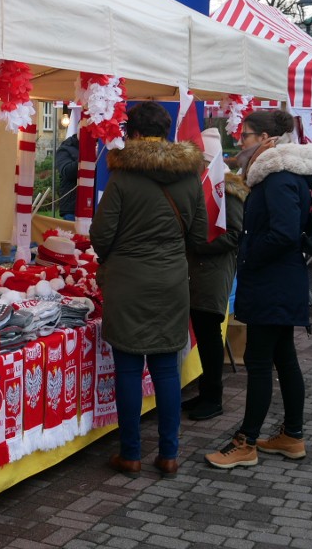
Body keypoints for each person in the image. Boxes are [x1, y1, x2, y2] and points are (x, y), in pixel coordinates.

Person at [90, 102, 208, 478]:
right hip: (172, 281)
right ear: (167, 131)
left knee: (128, 367)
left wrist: (116, 256)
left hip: (127, 281)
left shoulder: (123, 177)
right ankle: (169, 454)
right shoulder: (190, 177)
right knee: (166, 369)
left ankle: (131, 454)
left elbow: (101, 235)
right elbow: (200, 234)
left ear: (135, 134)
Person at [206, 110, 312, 469]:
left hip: (274, 281)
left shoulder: (278, 177)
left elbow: (284, 233)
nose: (241, 141)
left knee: (258, 362)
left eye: (247, 135)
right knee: (283, 358)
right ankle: (292, 435)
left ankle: (246, 440)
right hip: (279, 280)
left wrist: (249, 254)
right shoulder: (274, 175)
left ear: (267, 139)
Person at [184, 128, 249, 421]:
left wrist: (199, 245)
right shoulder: (204, 185)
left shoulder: (227, 191)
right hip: (199, 271)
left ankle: (214, 397)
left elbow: (235, 235)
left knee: (210, 336)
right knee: (204, 333)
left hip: (213, 272)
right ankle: (207, 392)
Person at [56, 132, 79, 221]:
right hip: (72, 208)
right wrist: (87, 157)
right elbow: (66, 171)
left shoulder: (99, 146)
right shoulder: (65, 148)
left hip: (95, 206)